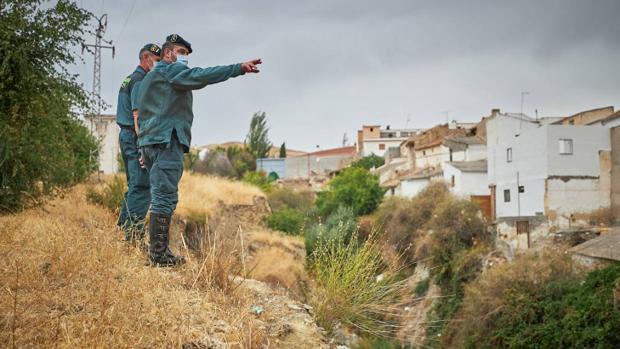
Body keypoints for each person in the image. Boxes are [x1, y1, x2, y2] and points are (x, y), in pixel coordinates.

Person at [137, 34, 261, 266]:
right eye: (181, 53)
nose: (185, 58)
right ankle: (158, 255)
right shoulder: (170, 72)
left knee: (160, 195)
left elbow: (142, 116)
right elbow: (201, 76)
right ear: (167, 53)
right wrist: (238, 68)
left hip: (151, 143)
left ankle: (160, 251)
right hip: (167, 141)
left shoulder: (150, 78)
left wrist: (141, 149)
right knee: (164, 197)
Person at [115, 43, 161, 243]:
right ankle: (132, 236)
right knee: (142, 186)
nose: (158, 64)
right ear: (146, 58)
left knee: (134, 185)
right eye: (157, 60)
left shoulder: (129, 79)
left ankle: (122, 230)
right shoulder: (141, 80)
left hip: (126, 136)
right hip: (134, 137)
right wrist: (144, 147)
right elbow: (138, 116)